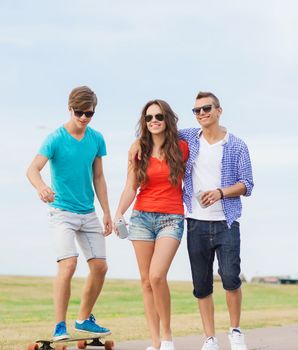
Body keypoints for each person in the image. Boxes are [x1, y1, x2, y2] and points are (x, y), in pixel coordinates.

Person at [26, 86, 112, 340]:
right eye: (79, 112)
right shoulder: (55, 139)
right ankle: (59, 326)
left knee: (100, 267)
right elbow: (32, 169)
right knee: (69, 264)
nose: (84, 117)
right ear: (70, 109)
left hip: (88, 213)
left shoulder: (96, 139)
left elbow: (99, 177)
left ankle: (84, 319)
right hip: (62, 212)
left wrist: (106, 212)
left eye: (89, 113)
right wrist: (42, 187)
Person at [181, 92, 254, 350]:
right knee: (201, 284)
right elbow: (161, 132)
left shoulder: (236, 145)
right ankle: (210, 338)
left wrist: (221, 192)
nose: (201, 113)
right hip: (195, 222)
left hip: (226, 221)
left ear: (219, 110)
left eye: (206, 108)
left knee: (231, 277)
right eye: (197, 110)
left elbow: (248, 184)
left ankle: (235, 331)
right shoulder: (189, 137)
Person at [114, 99, 188, 350]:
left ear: (167, 119)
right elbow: (130, 187)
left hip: (171, 218)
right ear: (144, 122)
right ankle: (155, 343)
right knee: (146, 281)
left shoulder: (182, 147)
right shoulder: (138, 151)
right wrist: (118, 213)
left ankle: (167, 337)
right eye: (148, 118)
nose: (154, 121)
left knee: (157, 276)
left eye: (158, 116)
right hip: (141, 218)